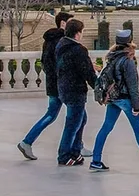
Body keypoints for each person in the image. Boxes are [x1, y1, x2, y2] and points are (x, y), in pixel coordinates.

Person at [89, 30, 139, 172]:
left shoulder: (112, 57)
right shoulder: (127, 61)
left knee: (105, 128)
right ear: (130, 42)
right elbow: (133, 86)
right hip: (125, 99)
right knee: (138, 130)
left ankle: (96, 160)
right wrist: (136, 106)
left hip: (113, 98)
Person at [17, 11, 71, 160]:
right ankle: (75, 146)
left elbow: (45, 62)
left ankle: (27, 142)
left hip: (53, 84)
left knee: (52, 115)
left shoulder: (48, 40)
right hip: (62, 84)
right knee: (77, 115)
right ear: (63, 24)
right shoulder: (62, 41)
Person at [54, 18, 97, 167]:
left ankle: (75, 151)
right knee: (73, 123)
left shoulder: (61, 45)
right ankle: (64, 155)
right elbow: (87, 72)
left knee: (81, 119)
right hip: (75, 90)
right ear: (78, 34)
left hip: (63, 88)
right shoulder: (78, 50)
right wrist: (99, 87)